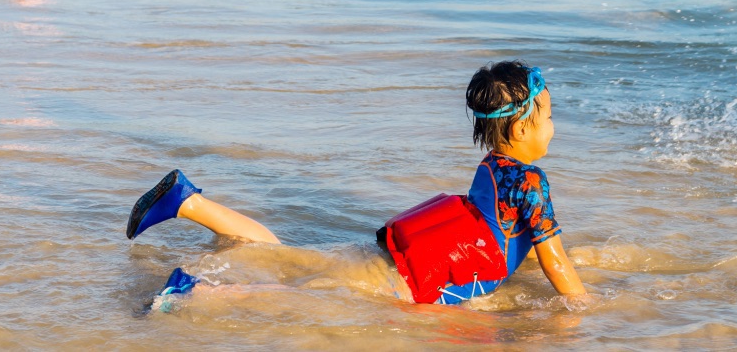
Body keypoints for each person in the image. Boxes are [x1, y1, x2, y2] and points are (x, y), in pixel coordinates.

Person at [125, 61, 587, 307]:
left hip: (394, 258)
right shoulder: (530, 182)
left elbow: (498, 231)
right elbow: (556, 263)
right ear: (522, 129)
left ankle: (189, 203)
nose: (553, 125)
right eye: (548, 114)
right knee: (296, 293)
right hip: (404, 280)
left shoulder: (491, 166)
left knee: (281, 257)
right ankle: (197, 293)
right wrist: (586, 314)